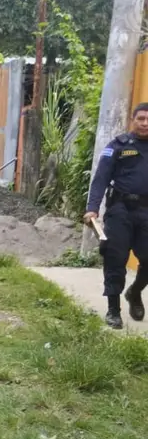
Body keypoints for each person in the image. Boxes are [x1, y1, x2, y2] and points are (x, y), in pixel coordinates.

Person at [85, 102, 148, 329]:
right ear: (133, 120)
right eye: (141, 118)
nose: (145, 123)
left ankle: (135, 292)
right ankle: (113, 310)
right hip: (120, 210)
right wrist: (92, 208)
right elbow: (101, 178)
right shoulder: (118, 146)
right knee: (115, 258)